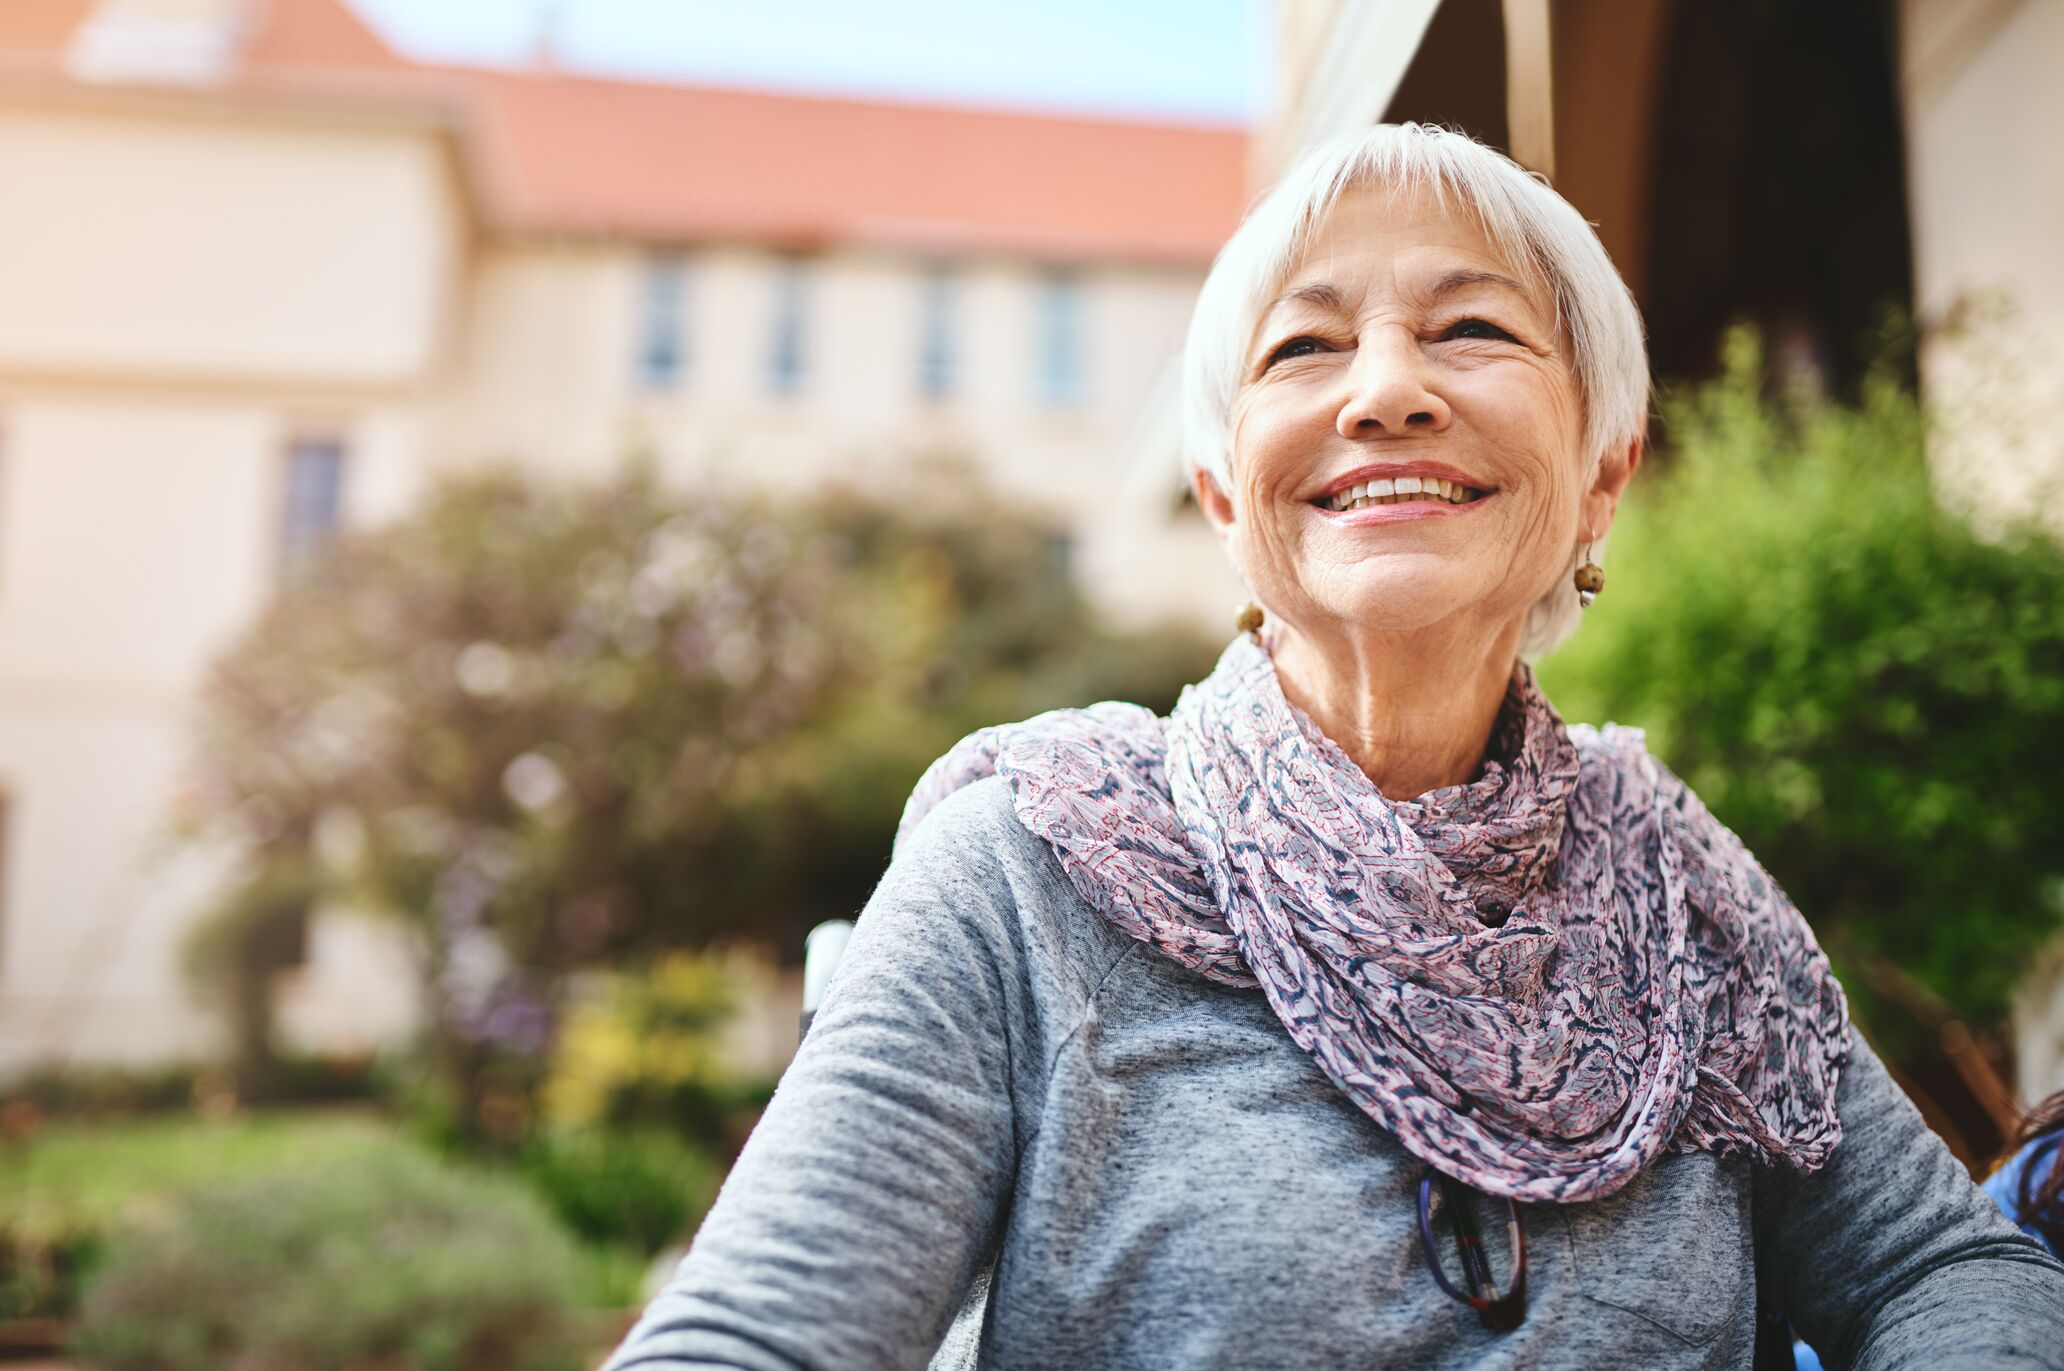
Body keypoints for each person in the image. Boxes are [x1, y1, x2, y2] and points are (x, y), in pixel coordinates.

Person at [600, 123, 2064, 1370]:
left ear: (1604, 476)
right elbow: (750, 1344)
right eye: (1305, 346)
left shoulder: (1686, 895)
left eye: (1473, 328)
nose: (1384, 391)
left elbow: (1943, 1272)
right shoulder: (1030, 872)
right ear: (1228, 496)